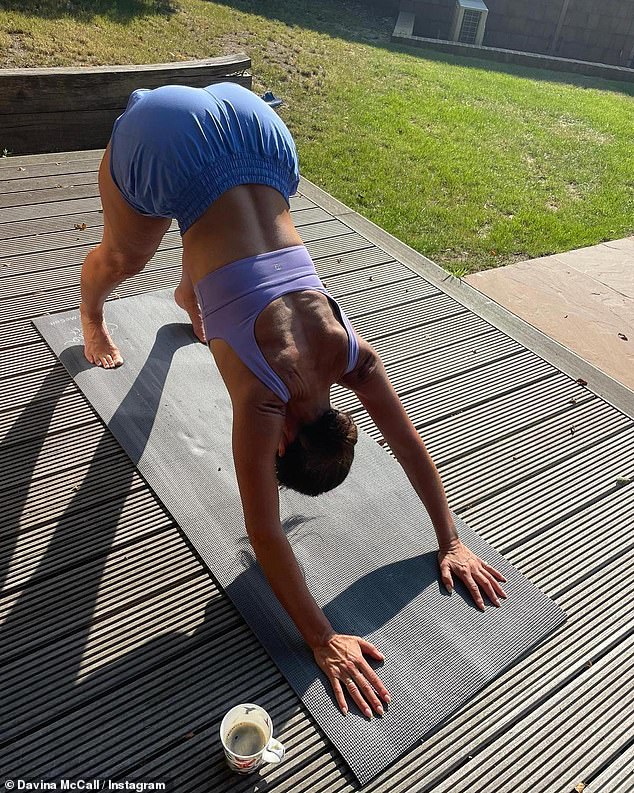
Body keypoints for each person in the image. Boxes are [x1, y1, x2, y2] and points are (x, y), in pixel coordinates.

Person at [80, 82, 507, 719]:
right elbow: (263, 530)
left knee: (215, 226)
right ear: (284, 439)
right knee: (127, 253)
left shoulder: (350, 357)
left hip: (263, 137)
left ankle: (192, 294)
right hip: (165, 138)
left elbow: (410, 439)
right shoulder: (260, 404)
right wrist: (322, 637)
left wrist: (451, 539)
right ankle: (91, 312)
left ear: (341, 418)